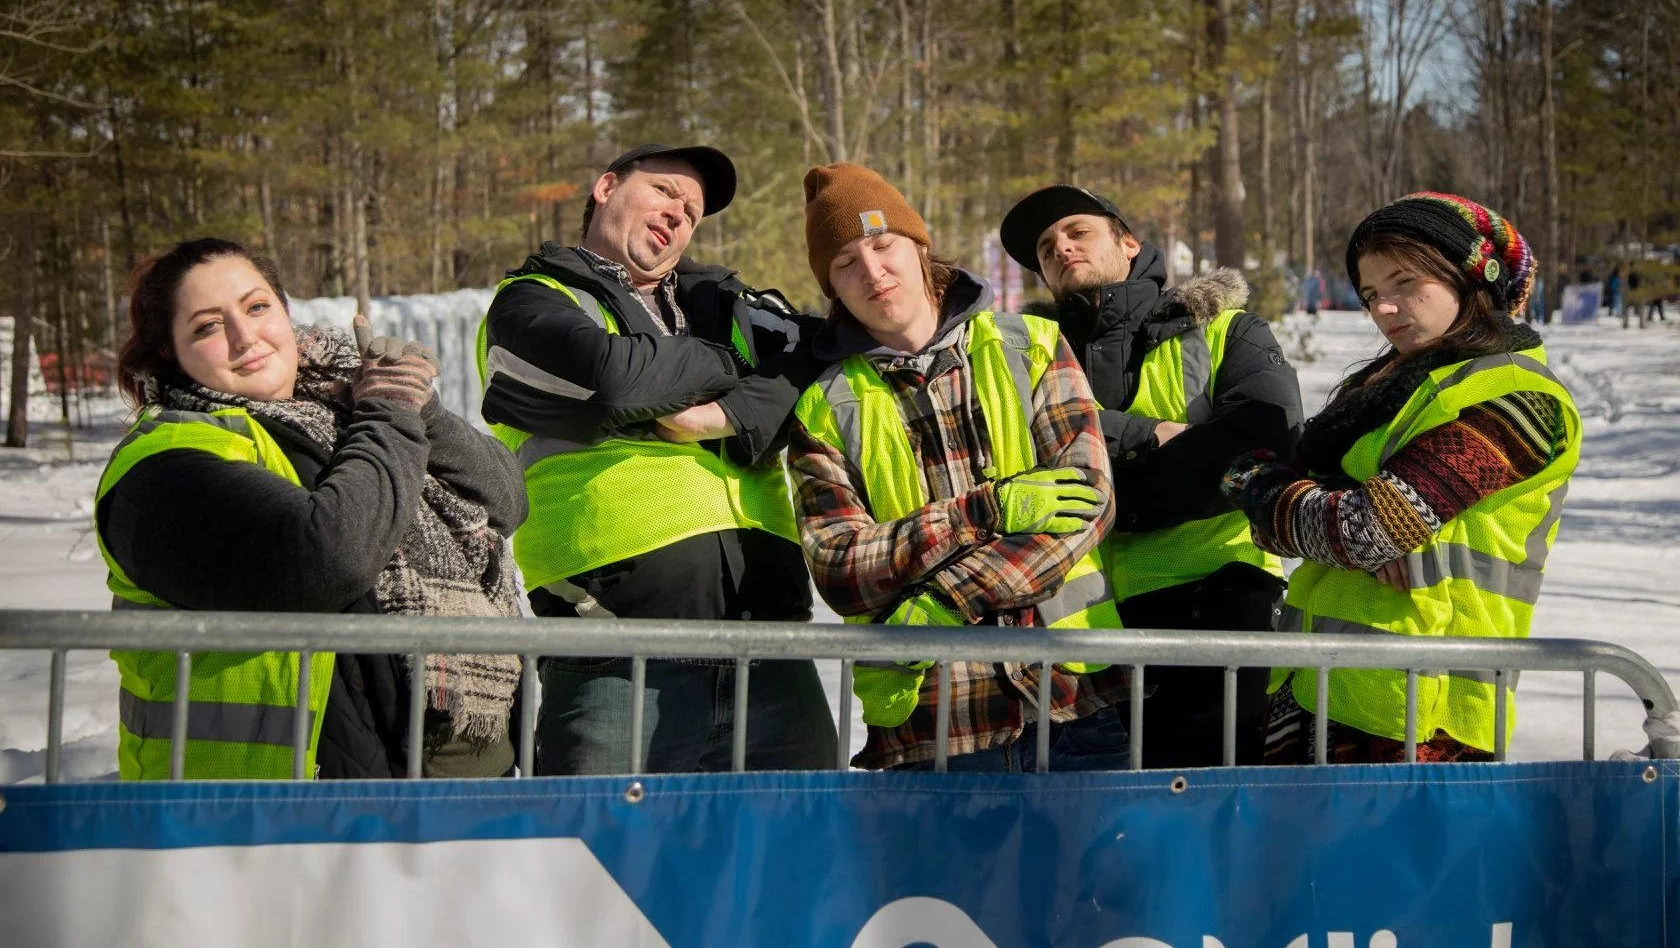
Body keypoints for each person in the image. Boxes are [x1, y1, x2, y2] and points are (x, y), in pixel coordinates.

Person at [99, 238, 527, 780]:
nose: (244, 336)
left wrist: (424, 412)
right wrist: (391, 416)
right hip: (259, 812)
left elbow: (506, 501)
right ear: (168, 353)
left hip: (441, 770)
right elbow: (327, 558)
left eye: (258, 307)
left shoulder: (339, 399)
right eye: (207, 326)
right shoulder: (163, 466)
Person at [477, 143, 837, 775]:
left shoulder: (723, 303)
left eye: (693, 211)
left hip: (771, 651)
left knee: (790, 867)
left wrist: (725, 414)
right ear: (606, 186)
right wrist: (731, 365)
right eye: (667, 192)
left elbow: (815, 351)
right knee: (609, 866)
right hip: (618, 654)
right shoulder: (529, 300)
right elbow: (612, 378)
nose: (679, 214)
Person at [788, 163, 1129, 772]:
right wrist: (985, 512)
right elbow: (839, 566)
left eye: (883, 244)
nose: (872, 271)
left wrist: (945, 599)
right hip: (936, 723)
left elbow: (1087, 503)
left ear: (920, 249)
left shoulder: (1033, 344)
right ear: (832, 288)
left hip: (1074, 703)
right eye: (845, 264)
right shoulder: (823, 404)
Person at [1221, 193, 1581, 763]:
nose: (1385, 309)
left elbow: (1364, 530)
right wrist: (1283, 495)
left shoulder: (1520, 401)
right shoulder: (1388, 396)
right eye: (1370, 296)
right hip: (1320, 690)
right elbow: (1294, 498)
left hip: (1422, 719)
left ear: (1471, 277)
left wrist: (1273, 494)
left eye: (1405, 282)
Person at [999, 185, 1302, 768]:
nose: (1059, 248)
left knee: (1210, 822)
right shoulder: (1024, 357)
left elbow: (1265, 446)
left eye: (1077, 231)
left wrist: (1105, 488)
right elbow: (1012, 452)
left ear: (1130, 243)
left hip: (1215, 612)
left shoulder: (1224, 331)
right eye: (1044, 247)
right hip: (1076, 634)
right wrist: (1144, 437)